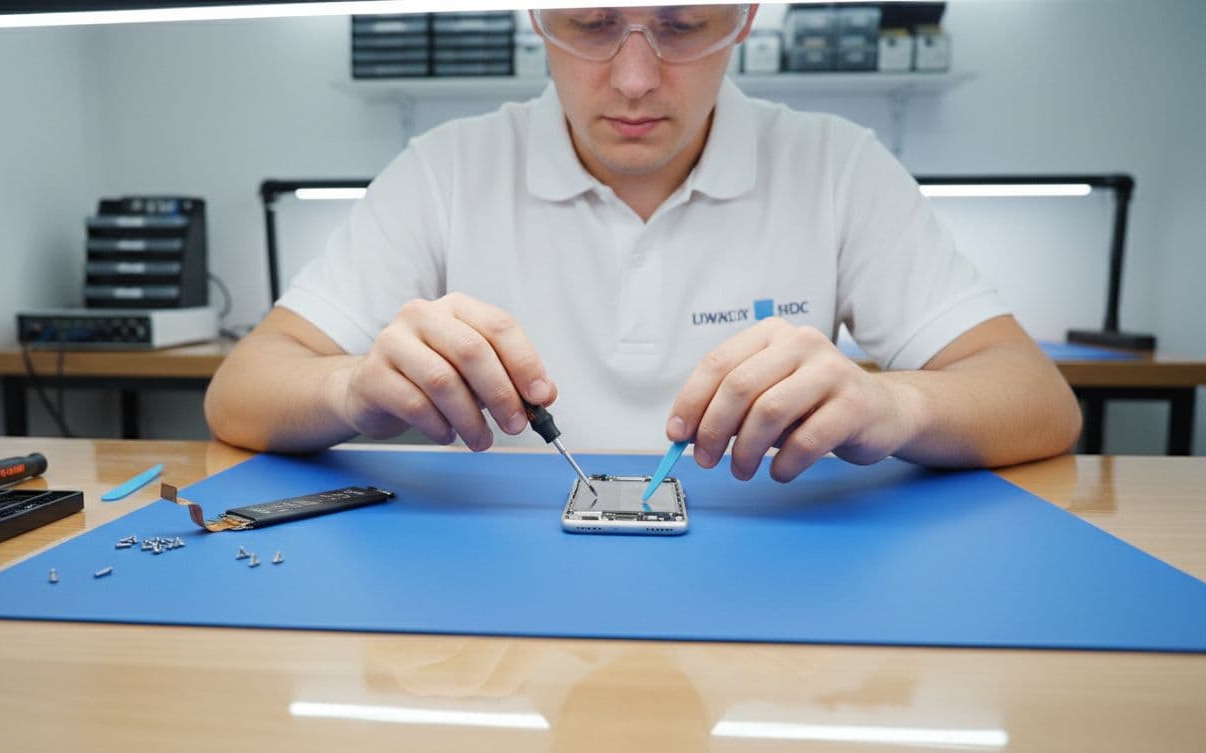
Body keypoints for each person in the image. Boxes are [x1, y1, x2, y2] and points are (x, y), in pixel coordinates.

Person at [205, 4, 1081, 482]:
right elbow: (241, 393)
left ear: (742, 19)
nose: (633, 78)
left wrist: (896, 407)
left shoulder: (835, 165)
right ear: (537, 21)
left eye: (681, 25)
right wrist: (353, 388)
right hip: (503, 603)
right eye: (591, 26)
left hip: (770, 587)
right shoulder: (446, 168)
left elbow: (1039, 401)